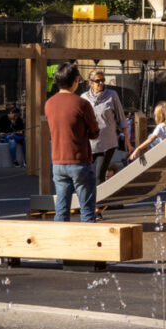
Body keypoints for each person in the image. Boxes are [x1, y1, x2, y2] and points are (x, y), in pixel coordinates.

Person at [45, 62, 100, 222]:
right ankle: (87, 244)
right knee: (87, 212)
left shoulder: (49, 104)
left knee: (61, 211)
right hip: (79, 161)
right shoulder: (82, 104)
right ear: (76, 80)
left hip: (58, 161)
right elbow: (94, 133)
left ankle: (60, 244)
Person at [81, 68, 129, 182]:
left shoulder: (112, 95)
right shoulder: (83, 98)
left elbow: (121, 117)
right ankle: (86, 199)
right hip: (90, 144)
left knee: (99, 176)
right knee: (84, 174)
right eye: (98, 81)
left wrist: (127, 139)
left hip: (107, 143)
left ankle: (99, 200)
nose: (101, 83)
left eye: (103, 80)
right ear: (90, 83)